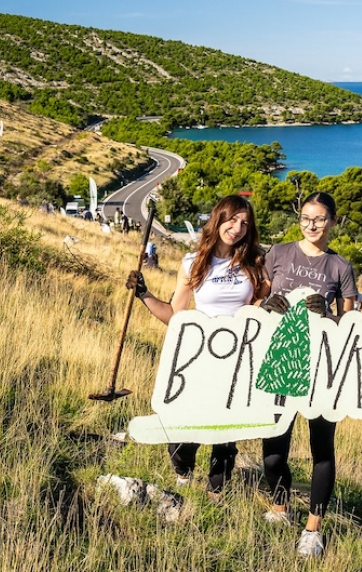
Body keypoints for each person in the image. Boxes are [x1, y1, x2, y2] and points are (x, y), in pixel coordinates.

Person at [126, 195, 267, 501]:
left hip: (237, 359)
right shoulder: (193, 263)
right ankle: (183, 473)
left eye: (244, 223)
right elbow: (176, 315)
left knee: (225, 433)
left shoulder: (254, 263)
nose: (237, 228)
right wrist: (144, 294)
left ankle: (217, 493)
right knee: (181, 432)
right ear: (218, 219)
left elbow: (262, 306)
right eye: (232, 219)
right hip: (197, 357)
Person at [256, 191, 358, 558]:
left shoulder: (341, 268)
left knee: (321, 449)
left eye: (319, 219)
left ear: (332, 221)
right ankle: (281, 507)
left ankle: (313, 528)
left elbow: (351, 324)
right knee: (273, 450)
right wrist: (267, 304)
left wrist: (330, 317)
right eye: (305, 218)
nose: (311, 225)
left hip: (321, 370)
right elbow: (255, 301)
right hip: (280, 363)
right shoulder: (279, 253)